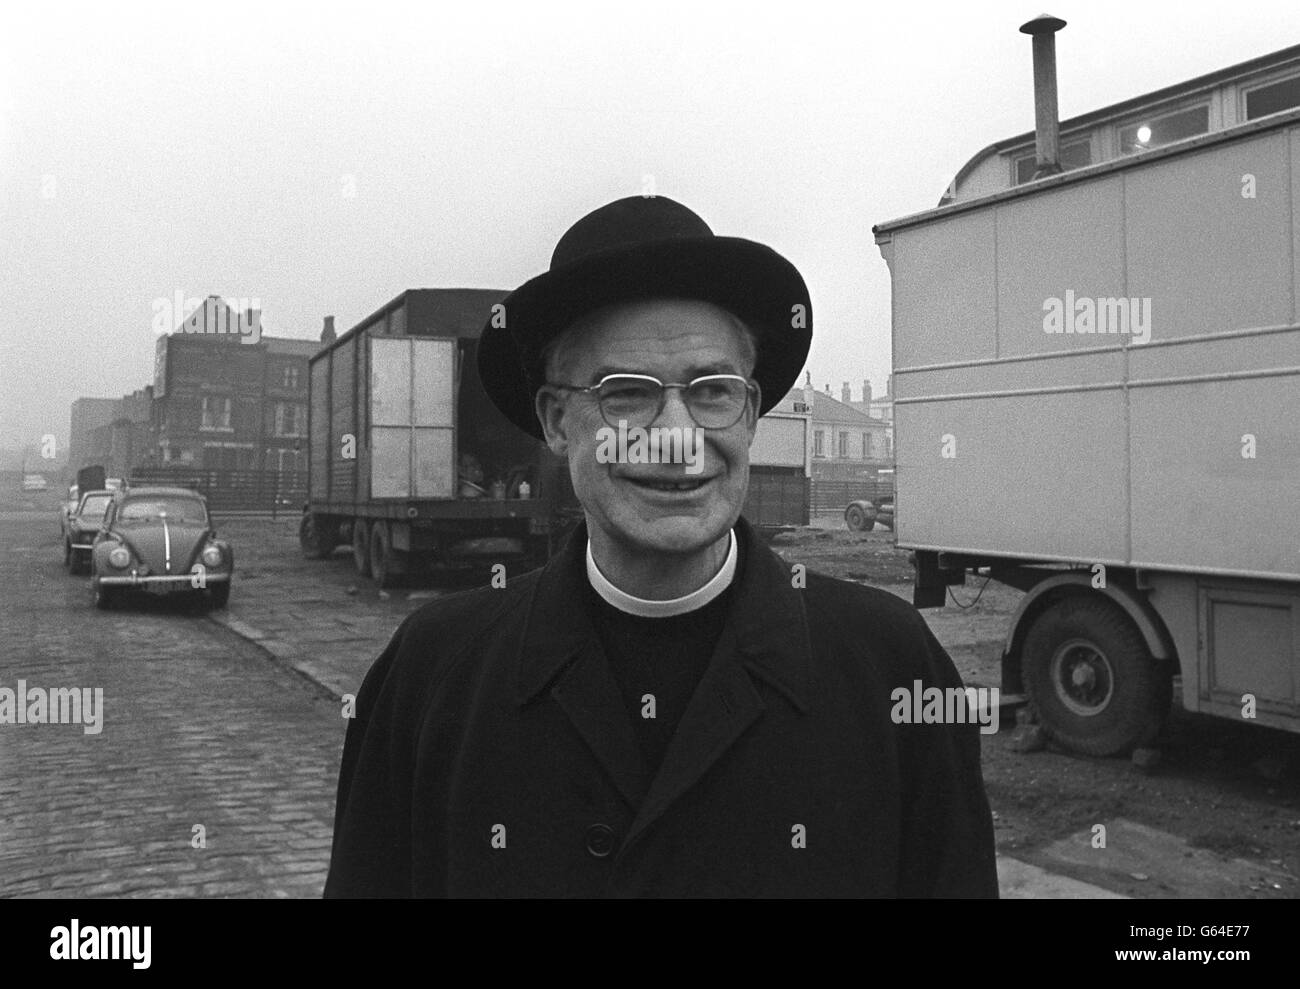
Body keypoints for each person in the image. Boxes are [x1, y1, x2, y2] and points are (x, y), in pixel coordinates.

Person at [324, 195, 998, 897]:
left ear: (750, 413)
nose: (677, 436)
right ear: (557, 421)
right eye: (627, 393)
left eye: (711, 390)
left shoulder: (888, 664)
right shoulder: (432, 675)